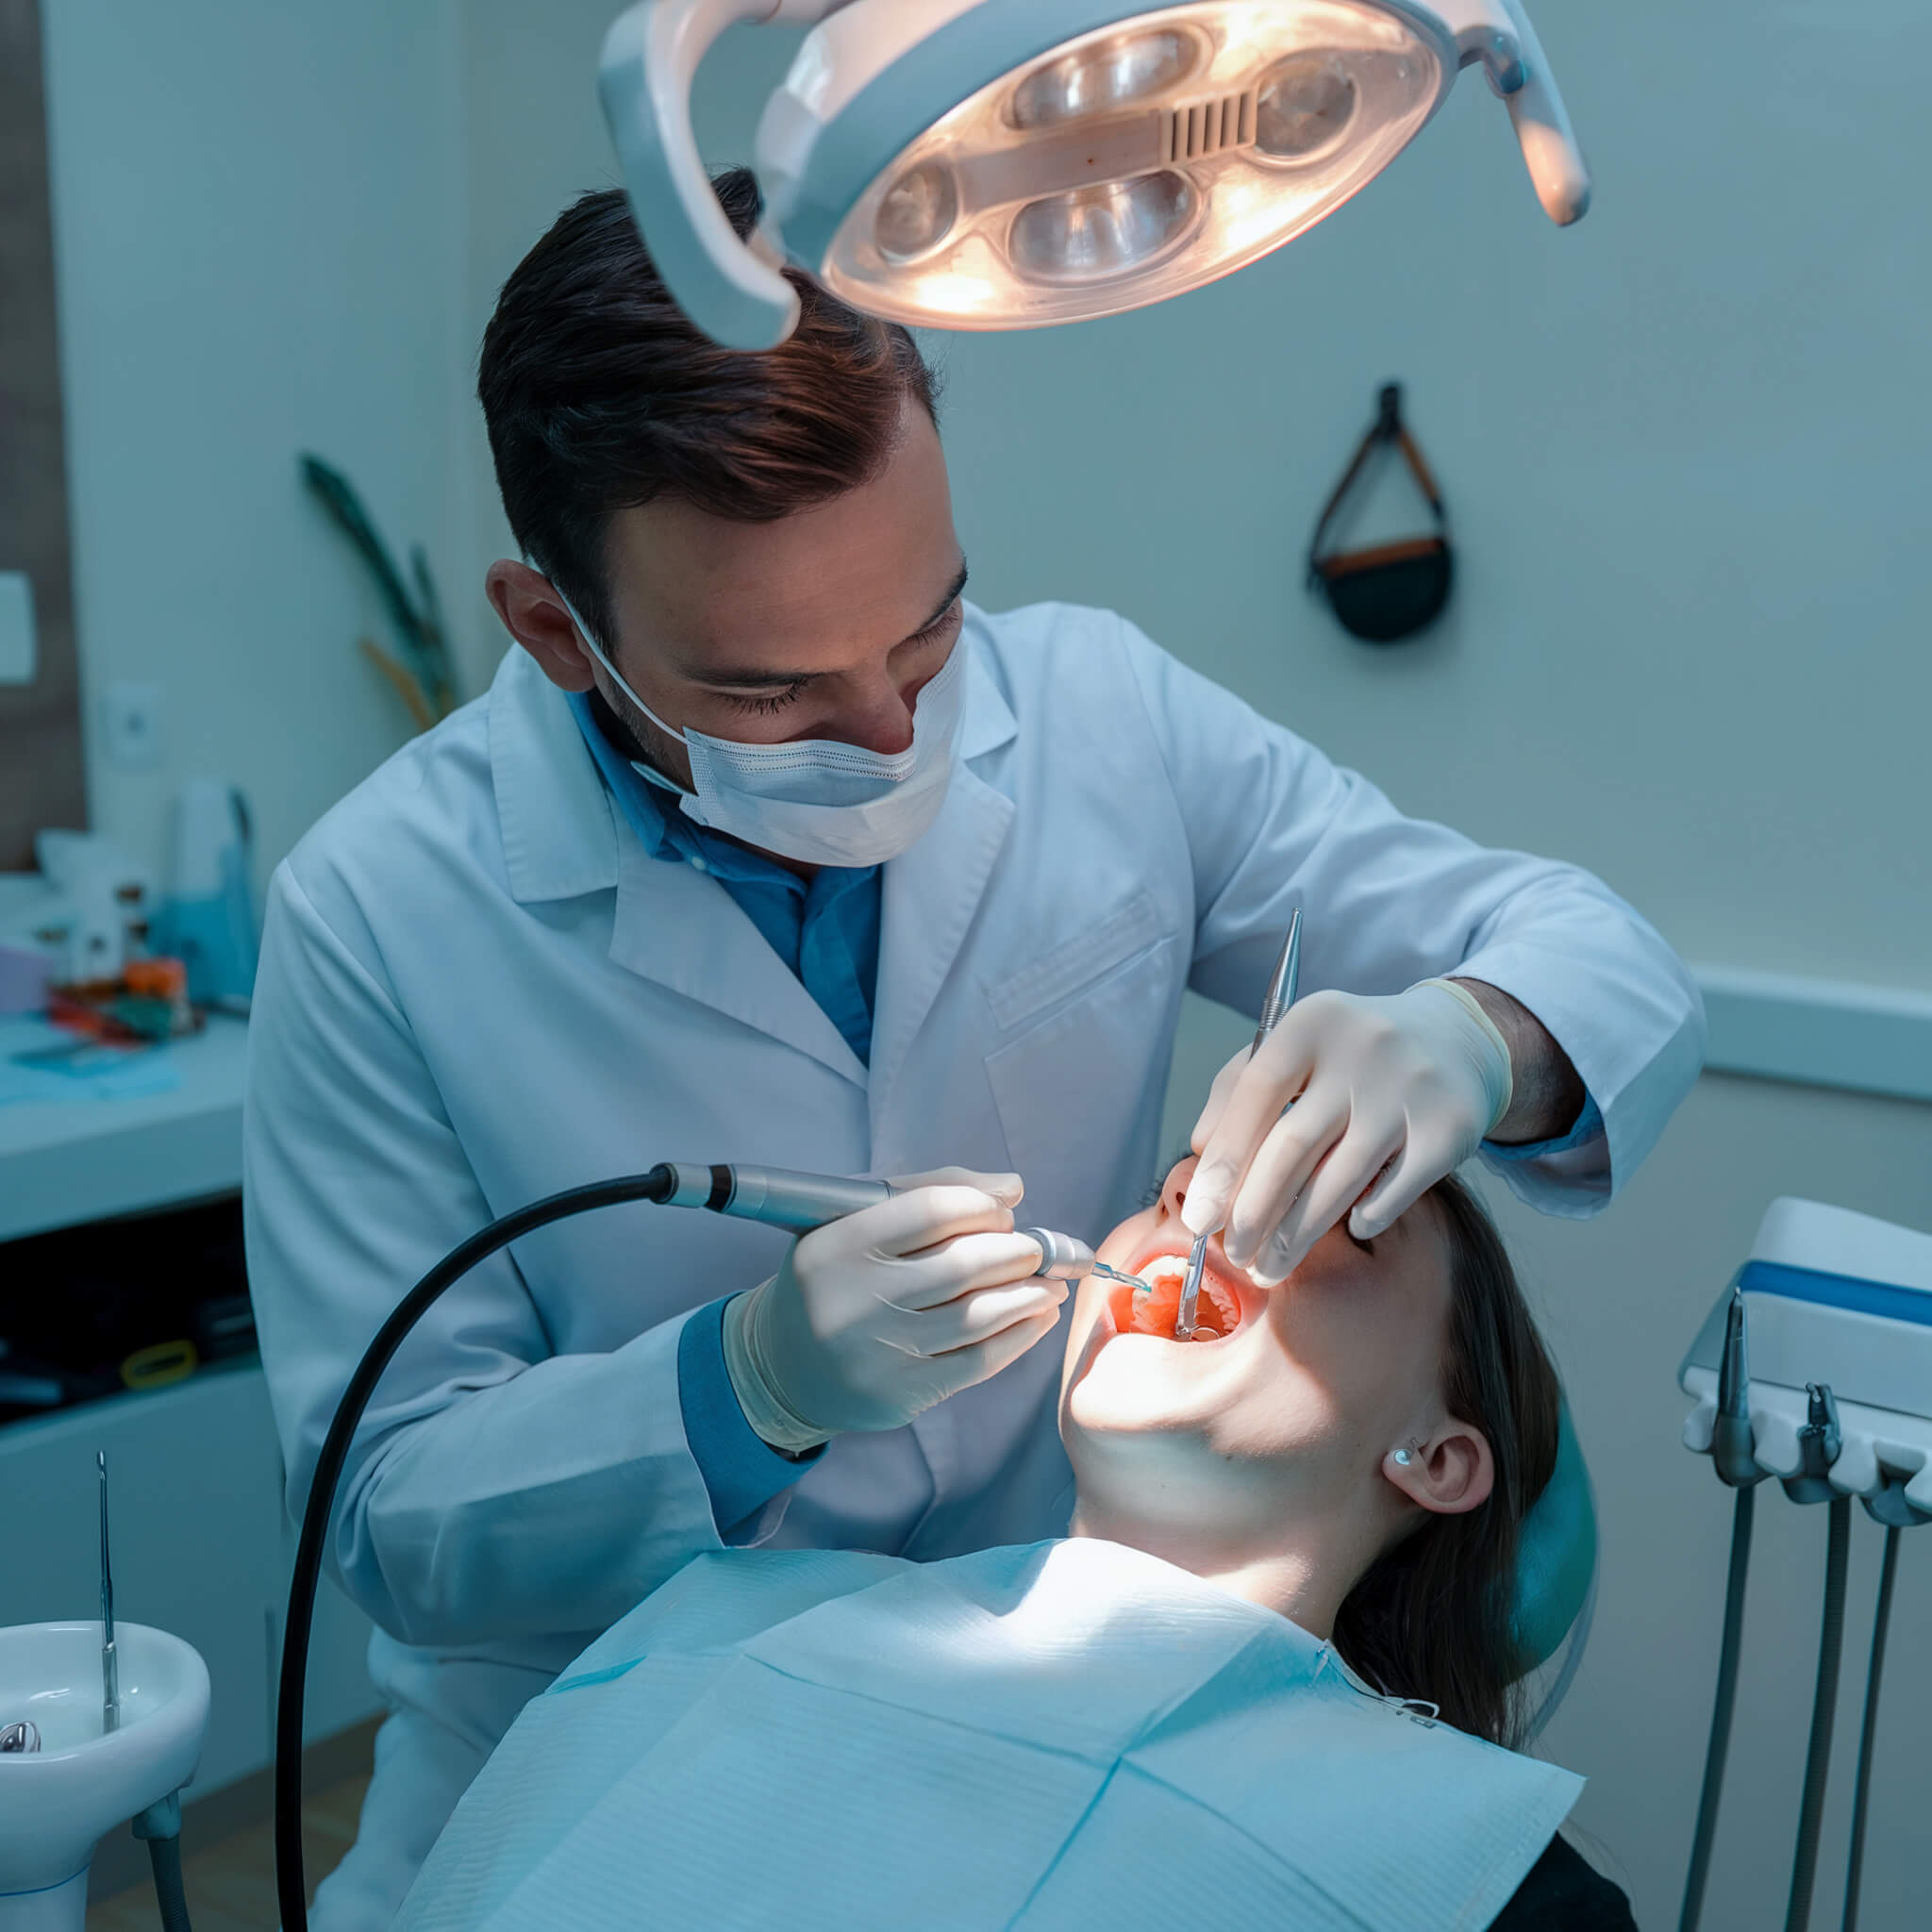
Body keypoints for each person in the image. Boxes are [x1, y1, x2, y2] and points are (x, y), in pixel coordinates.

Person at [243, 170, 1701, 1925]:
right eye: (774, 692)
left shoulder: (1099, 716)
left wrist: (1477, 1038)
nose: (892, 733)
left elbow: (1602, 962)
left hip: (1028, 1749)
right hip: (604, 1783)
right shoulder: (377, 913)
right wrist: (741, 1389)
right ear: (558, 629)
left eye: (929, 628)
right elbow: (388, 1512)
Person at [392, 1160, 1636, 1930]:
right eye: (1182, 1183)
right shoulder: (722, 1619)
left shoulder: (1480, 1874)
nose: (1202, 1213)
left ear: (1437, 1457)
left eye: (1329, 1219)